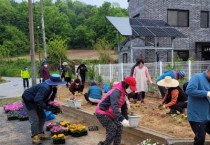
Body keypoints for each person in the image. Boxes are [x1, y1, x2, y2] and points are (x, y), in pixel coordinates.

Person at [22, 74, 65, 144]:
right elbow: (37, 100)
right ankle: (35, 136)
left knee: (42, 116)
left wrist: (53, 106)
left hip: (36, 100)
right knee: (35, 119)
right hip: (29, 101)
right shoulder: (45, 88)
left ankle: (40, 133)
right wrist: (47, 107)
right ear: (55, 83)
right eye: (59, 84)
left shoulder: (53, 88)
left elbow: (50, 100)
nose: (59, 85)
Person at [95, 76, 137, 145]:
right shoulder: (116, 91)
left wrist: (126, 119)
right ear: (126, 85)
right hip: (102, 112)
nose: (132, 90)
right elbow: (115, 107)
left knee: (119, 127)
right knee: (112, 129)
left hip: (111, 113)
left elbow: (124, 108)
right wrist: (122, 119)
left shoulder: (124, 93)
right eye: (131, 88)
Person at [186, 65, 210, 145]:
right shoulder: (197, 77)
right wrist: (206, 93)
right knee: (200, 140)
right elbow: (189, 90)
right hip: (197, 117)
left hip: (207, 115)